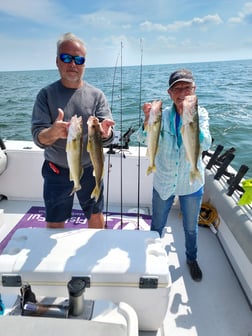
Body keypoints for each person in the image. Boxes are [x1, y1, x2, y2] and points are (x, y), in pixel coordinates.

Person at [31, 32, 114, 229]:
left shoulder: (97, 95)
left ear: (84, 63)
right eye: (66, 58)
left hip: (90, 169)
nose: (73, 64)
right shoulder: (45, 95)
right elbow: (37, 135)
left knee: (96, 214)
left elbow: (107, 136)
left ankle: (96, 247)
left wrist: (106, 134)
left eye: (79, 59)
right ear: (57, 61)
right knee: (54, 220)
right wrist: (51, 133)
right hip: (56, 170)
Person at [140, 69, 212, 281]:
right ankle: (152, 260)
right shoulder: (160, 116)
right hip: (164, 181)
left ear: (194, 90)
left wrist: (192, 119)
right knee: (157, 225)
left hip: (192, 184)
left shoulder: (202, 114)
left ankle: (191, 258)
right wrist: (147, 121)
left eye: (187, 87)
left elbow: (206, 143)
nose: (182, 92)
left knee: (191, 228)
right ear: (169, 93)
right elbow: (144, 139)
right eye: (177, 88)